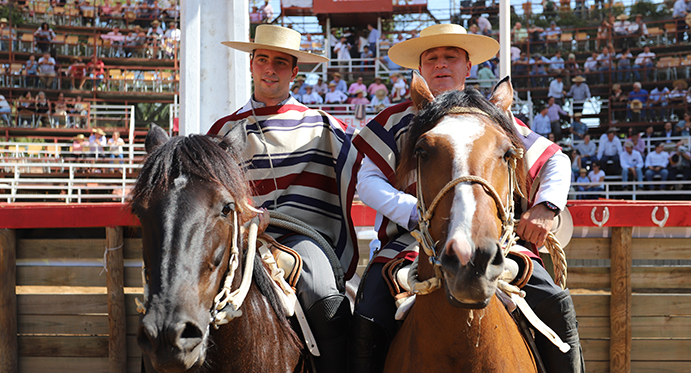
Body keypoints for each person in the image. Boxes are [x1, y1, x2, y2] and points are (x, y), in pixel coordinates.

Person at [350, 23, 582, 373]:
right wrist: (414, 213)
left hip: (495, 239)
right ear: (421, 68)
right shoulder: (396, 119)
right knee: (371, 308)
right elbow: (366, 179)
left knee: (553, 299)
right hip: (409, 242)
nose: (441, 64)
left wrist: (546, 206)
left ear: (467, 67)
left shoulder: (493, 118)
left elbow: (555, 161)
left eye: (451, 57)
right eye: (432, 58)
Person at [207, 25, 360, 373]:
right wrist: (242, 212)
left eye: (279, 62)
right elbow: (210, 194)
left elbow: (368, 172)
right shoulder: (223, 131)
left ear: (294, 71)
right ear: (251, 65)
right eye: (262, 59)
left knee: (323, 295)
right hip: (239, 239)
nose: (269, 69)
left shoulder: (324, 126)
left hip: (301, 237)